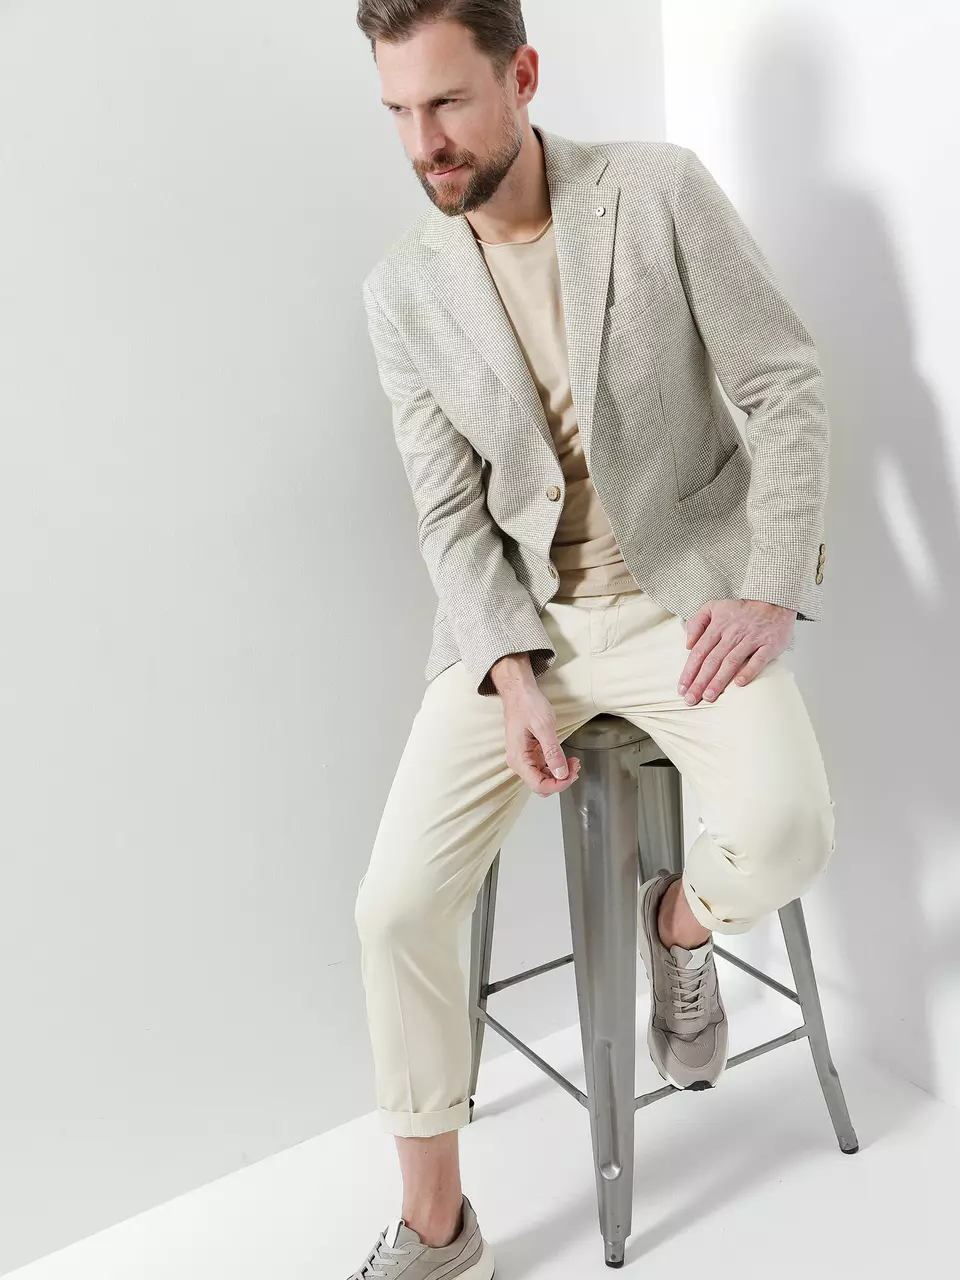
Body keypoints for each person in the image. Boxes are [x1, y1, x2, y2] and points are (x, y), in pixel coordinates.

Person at [349, 3, 836, 1277]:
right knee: (394, 906)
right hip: (525, 627)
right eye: (398, 110)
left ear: (521, 75)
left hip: (685, 600)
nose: (423, 141)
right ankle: (439, 1229)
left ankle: (678, 925)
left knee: (790, 829)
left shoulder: (657, 192)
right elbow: (450, 513)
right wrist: (508, 670)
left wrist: (768, 584)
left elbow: (783, 380)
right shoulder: (403, 290)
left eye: (447, 103)